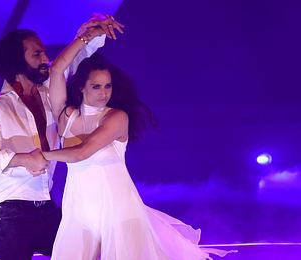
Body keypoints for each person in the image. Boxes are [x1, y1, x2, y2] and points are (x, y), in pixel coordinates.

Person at [42, 23, 235, 259]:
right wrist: (86, 37)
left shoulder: (116, 117)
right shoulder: (65, 117)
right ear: (81, 87)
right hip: (80, 214)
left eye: (107, 86)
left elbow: (82, 152)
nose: (104, 93)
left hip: (119, 212)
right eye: (96, 86)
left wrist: (41, 155)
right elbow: (56, 70)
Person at [0, 14, 122, 260]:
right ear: (16, 62)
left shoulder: (47, 92)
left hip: (46, 205)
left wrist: (93, 34)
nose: (45, 59)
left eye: (43, 52)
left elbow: (69, 64)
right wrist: (23, 159)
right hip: (9, 211)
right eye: (37, 54)